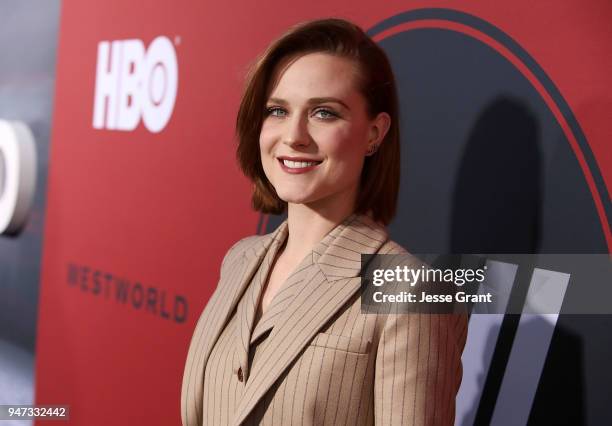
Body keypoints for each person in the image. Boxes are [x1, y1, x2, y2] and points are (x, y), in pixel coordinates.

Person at [181, 18, 467, 426]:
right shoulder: (240, 261)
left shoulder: (410, 290)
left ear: (374, 133)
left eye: (323, 113)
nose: (294, 135)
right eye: (278, 110)